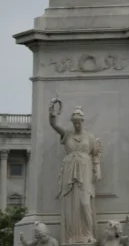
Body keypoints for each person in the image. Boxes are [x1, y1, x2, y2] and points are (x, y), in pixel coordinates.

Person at [49, 104, 102, 244]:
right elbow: (54, 125)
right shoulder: (67, 134)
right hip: (69, 169)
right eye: (74, 122)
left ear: (82, 121)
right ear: (72, 123)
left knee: (85, 202)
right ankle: (71, 235)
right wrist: (53, 114)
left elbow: (95, 155)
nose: (77, 124)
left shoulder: (90, 137)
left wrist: (98, 169)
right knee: (70, 204)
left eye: (79, 122)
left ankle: (89, 233)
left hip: (86, 169)